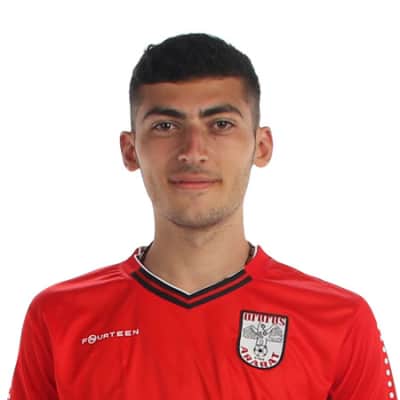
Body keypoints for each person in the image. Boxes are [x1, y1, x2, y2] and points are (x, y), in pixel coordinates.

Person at [9, 33, 397, 399]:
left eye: (221, 125)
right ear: (130, 150)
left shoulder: (340, 320)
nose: (193, 151)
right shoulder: (59, 317)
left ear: (261, 146)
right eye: (165, 126)